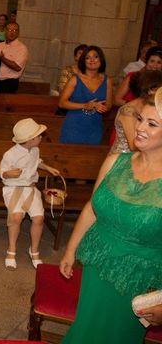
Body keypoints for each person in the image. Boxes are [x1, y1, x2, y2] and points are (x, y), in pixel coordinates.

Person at [59, 87, 162, 343]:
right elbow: (92, 207)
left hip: (136, 279)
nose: (140, 128)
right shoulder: (116, 161)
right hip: (96, 263)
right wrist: (71, 250)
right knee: (85, 330)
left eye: (152, 124)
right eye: (140, 119)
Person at [0, 118, 60, 269]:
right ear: (29, 140)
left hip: (30, 189)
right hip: (13, 189)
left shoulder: (35, 150)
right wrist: (8, 174)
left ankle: (34, 250)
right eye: (39, 135)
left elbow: (37, 161)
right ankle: (11, 250)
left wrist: (47, 167)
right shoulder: (10, 154)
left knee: (39, 218)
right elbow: (1, 171)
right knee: (16, 217)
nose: (41, 137)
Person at [59, 45, 113, 145]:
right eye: (87, 58)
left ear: (101, 59)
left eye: (95, 57)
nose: (92, 60)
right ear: (83, 61)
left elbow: (109, 105)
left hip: (94, 126)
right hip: (74, 125)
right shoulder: (75, 79)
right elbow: (62, 103)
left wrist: (102, 107)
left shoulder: (107, 80)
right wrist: (85, 105)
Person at [110, 70, 162, 154]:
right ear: (151, 90)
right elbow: (133, 145)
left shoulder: (149, 108)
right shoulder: (128, 111)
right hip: (125, 158)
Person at [0, 22, 28, 94]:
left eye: (15, 30)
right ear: (5, 31)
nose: (12, 33)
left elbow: (17, 67)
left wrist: (2, 58)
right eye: (9, 30)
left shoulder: (22, 48)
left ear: (18, 32)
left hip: (9, 83)